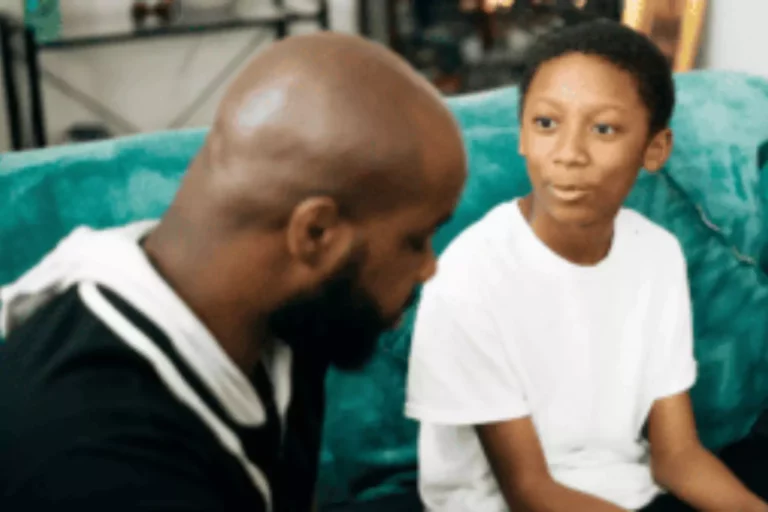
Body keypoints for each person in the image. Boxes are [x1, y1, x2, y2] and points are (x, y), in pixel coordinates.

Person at [0, 33, 466, 512]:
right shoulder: (98, 462)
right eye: (416, 240)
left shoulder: (282, 317)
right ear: (316, 233)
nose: (429, 269)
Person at [405, 20, 768, 512]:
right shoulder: (470, 274)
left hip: (631, 495)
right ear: (522, 137)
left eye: (604, 129)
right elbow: (529, 492)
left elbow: (677, 457)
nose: (569, 155)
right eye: (546, 124)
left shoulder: (655, 254)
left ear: (654, 150)